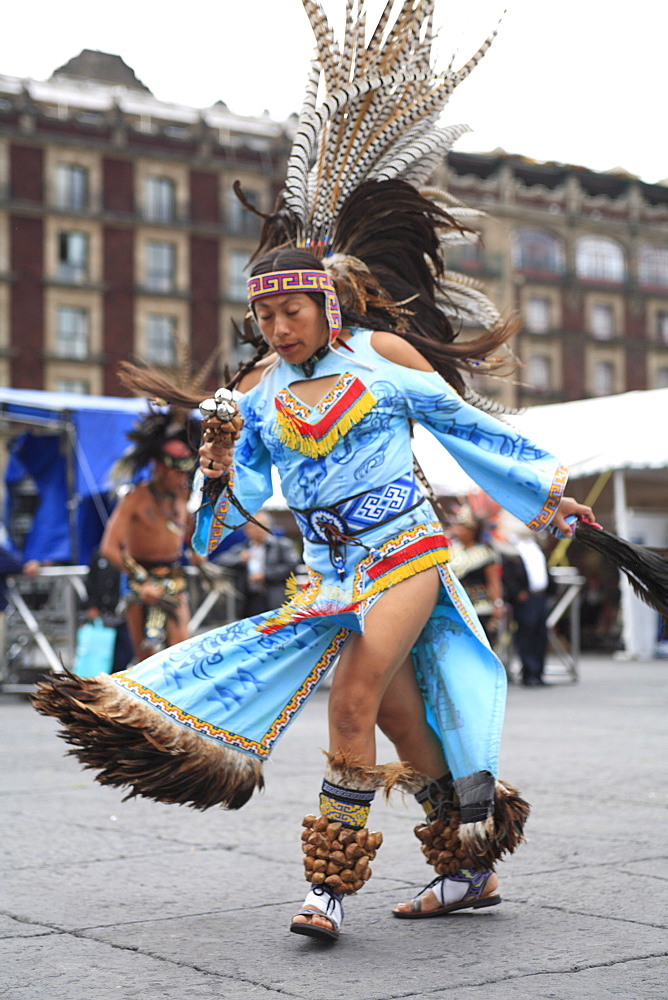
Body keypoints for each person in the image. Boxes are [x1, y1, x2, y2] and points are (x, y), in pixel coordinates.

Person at [32, 1, 597, 948]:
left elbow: (468, 428)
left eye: (293, 310)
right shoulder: (253, 394)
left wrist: (544, 491)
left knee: (350, 704)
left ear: (326, 302)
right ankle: (468, 864)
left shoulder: (381, 357)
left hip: (406, 551)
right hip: (325, 572)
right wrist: (215, 470)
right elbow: (226, 522)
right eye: (268, 316)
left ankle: (326, 892)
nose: (278, 327)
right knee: (407, 724)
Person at [100, 415, 200, 661]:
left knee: (180, 646)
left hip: (173, 578)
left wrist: (197, 551)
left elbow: (187, 532)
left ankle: (176, 698)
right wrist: (142, 581)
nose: (182, 479)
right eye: (177, 473)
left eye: (186, 474)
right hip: (139, 579)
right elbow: (109, 548)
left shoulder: (182, 495)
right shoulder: (135, 498)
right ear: (160, 469)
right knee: (146, 656)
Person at [213, 511, 301, 619]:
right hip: (249, 600)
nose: (257, 529)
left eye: (261, 525)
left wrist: (265, 575)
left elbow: (292, 566)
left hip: (276, 598)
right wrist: (239, 559)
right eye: (253, 526)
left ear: (268, 527)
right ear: (246, 531)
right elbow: (219, 561)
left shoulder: (282, 545)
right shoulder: (242, 548)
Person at [506, 528, 552, 686]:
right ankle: (529, 672)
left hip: (540, 595)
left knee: (541, 634)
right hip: (525, 598)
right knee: (526, 633)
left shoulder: (535, 546)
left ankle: (538, 672)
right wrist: (516, 593)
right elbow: (508, 574)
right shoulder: (512, 547)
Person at [83, 547, 133, 673]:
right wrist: (92, 606)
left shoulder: (132, 554)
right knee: (102, 655)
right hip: (104, 614)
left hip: (127, 615)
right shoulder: (99, 555)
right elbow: (91, 581)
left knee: (126, 653)